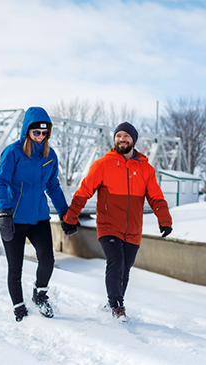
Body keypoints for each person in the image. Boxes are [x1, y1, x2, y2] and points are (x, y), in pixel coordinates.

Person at [61, 121, 173, 321]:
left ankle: (113, 302)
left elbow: (156, 197)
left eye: (126, 136)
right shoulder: (103, 164)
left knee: (126, 268)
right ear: (115, 139)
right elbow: (83, 192)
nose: (122, 139)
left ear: (133, 140)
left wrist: (164, 220)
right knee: (116, 262)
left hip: (133, 228)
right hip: (108, 225)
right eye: (119, 136)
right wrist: (71, 217)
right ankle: (117, 307)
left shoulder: (146, 169)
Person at [0, 106, 70, 322]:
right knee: (15, 267)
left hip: (38, 217)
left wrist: (65, 212)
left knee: (47, 259)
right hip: (14, 219)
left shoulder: (49, 155)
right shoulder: (13, 152)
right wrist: (4, 212)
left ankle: (40, 295)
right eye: (36, 132)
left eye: (45, 133)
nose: (41, 137)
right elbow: (0, 183)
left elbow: (52, 186)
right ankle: (19, 306)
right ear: (27, 131)